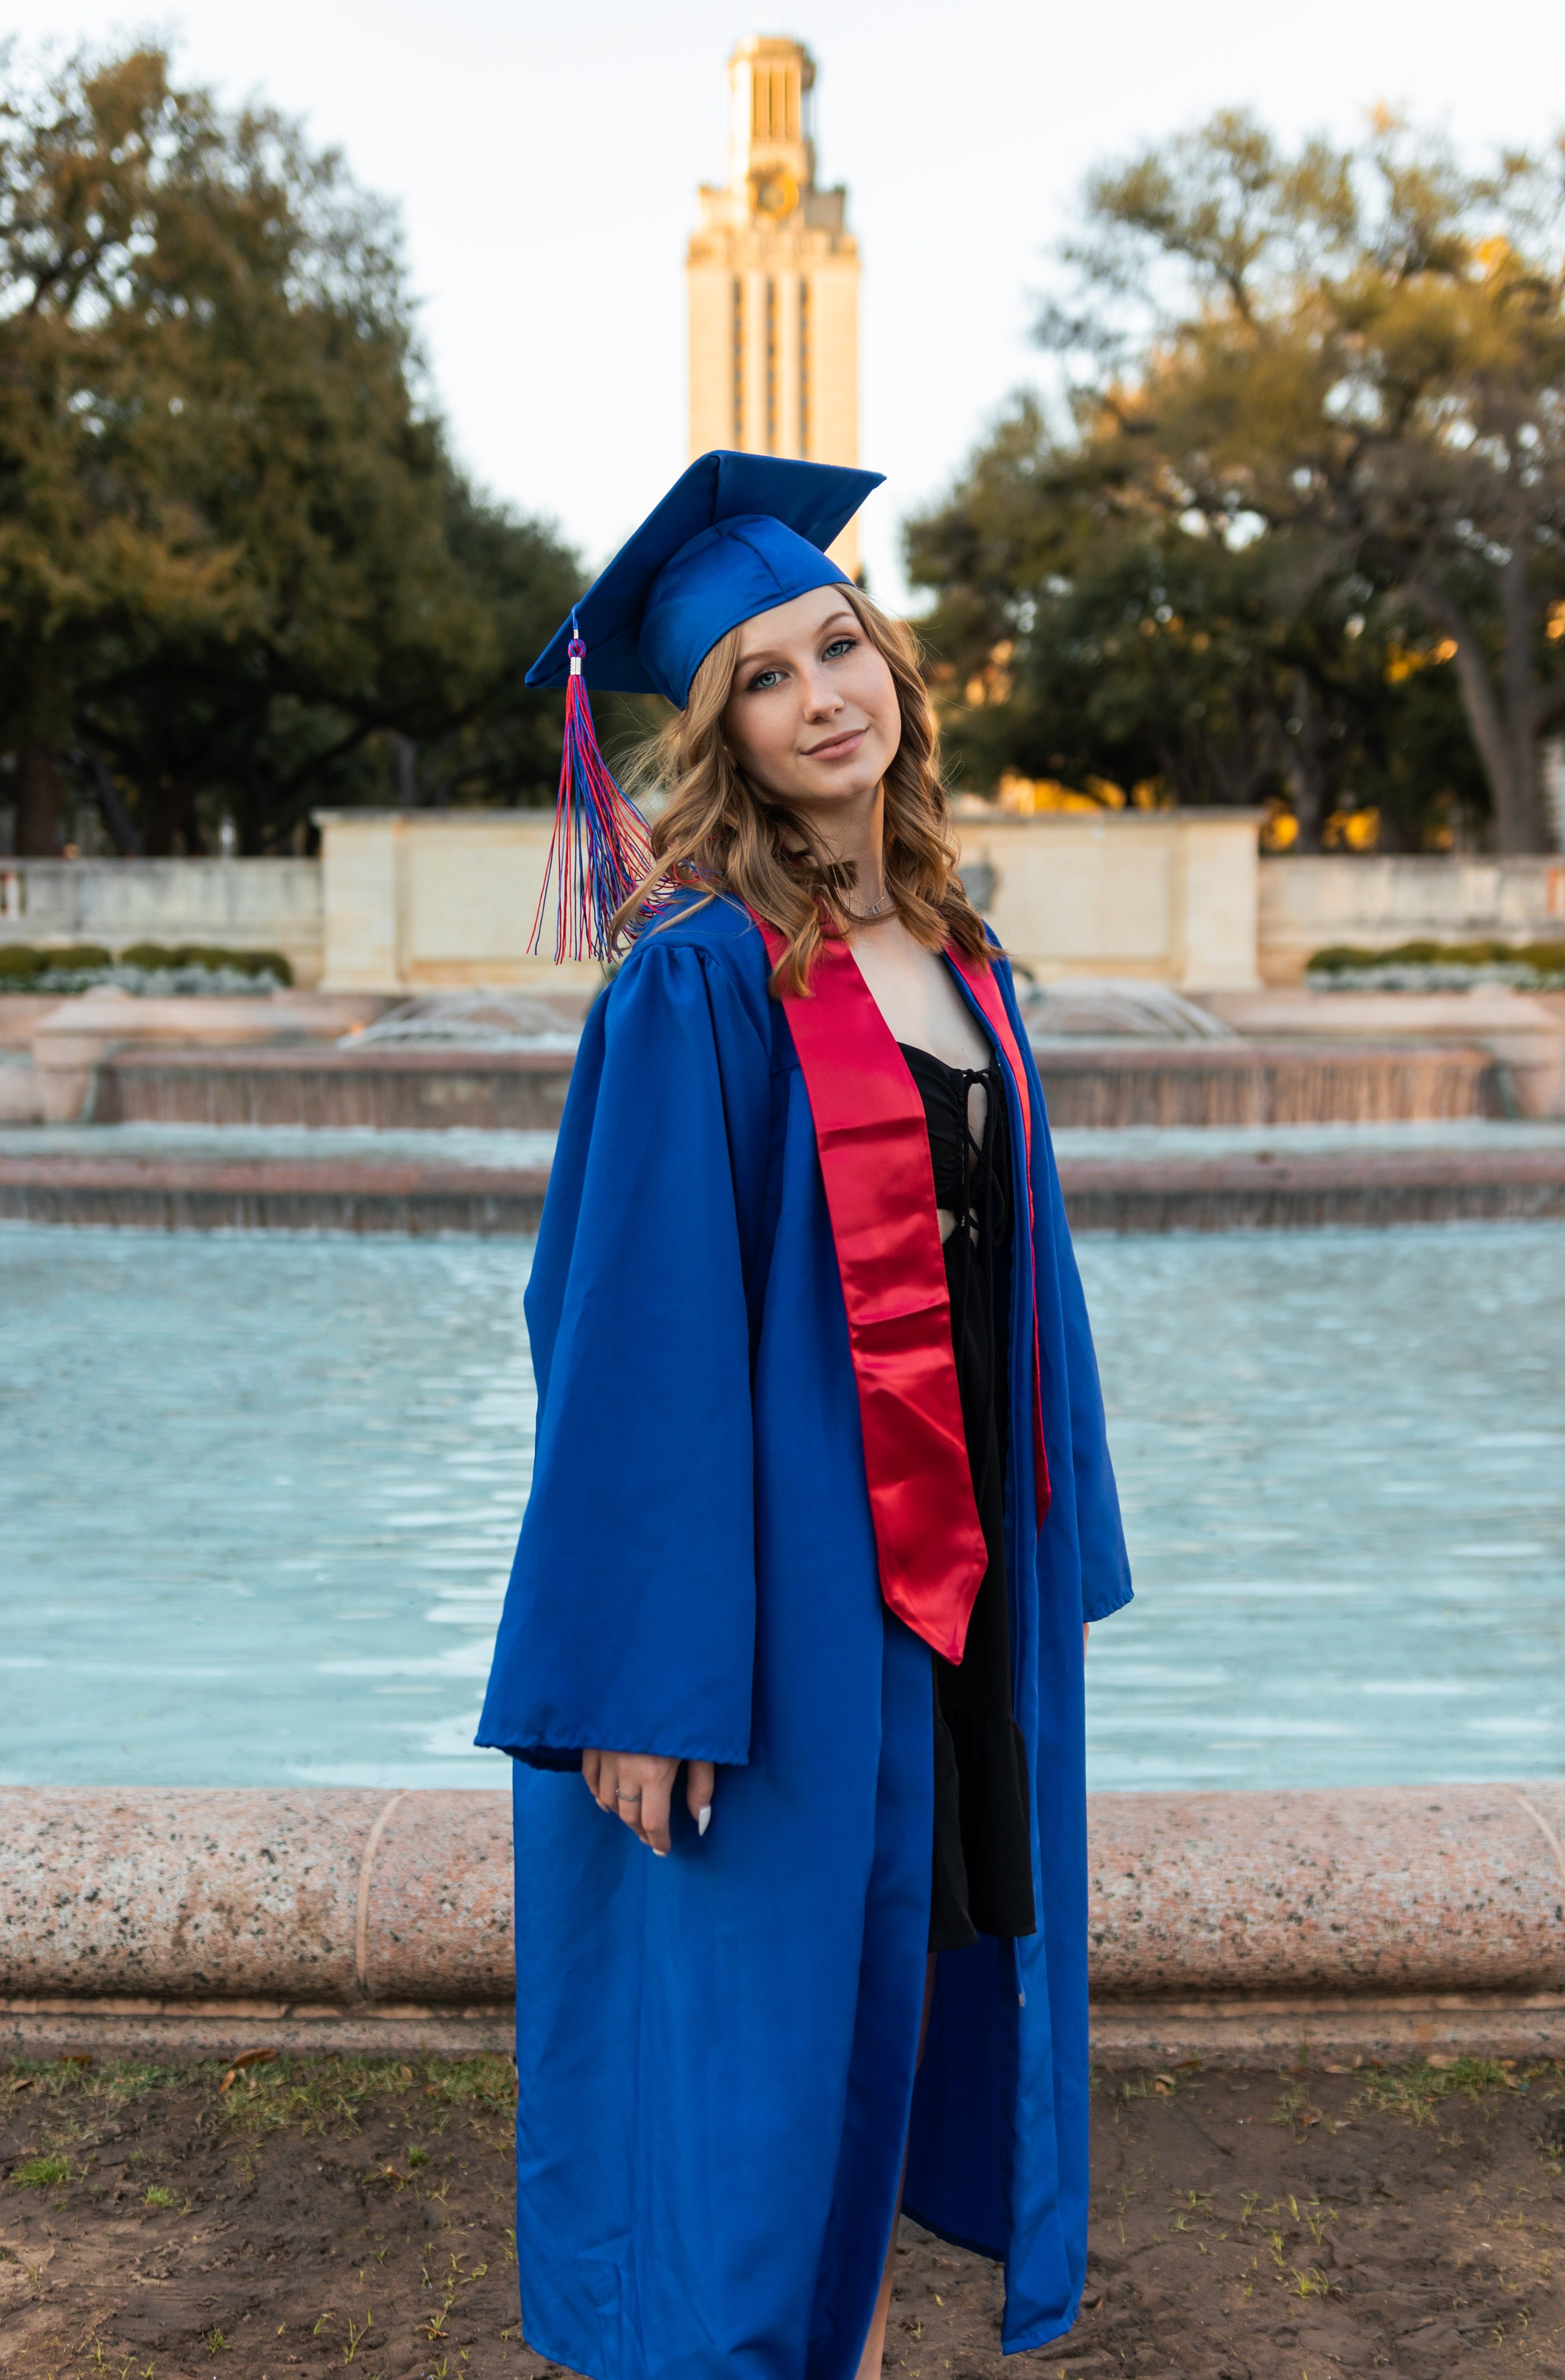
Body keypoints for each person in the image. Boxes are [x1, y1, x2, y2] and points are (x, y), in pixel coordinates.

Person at [476, 451, 1131, 2380]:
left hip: (958, 1604)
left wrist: (1049, 1552)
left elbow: (1027, 1277)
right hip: (783, 1617)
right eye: (766, 676)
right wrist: (640, 1679)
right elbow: (620, 1337)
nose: (823, 692)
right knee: (761, 2090)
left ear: (895, 668)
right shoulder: (699, 981)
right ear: (726, 736)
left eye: (839, 645)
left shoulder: (959, 957)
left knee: (887, 2045)